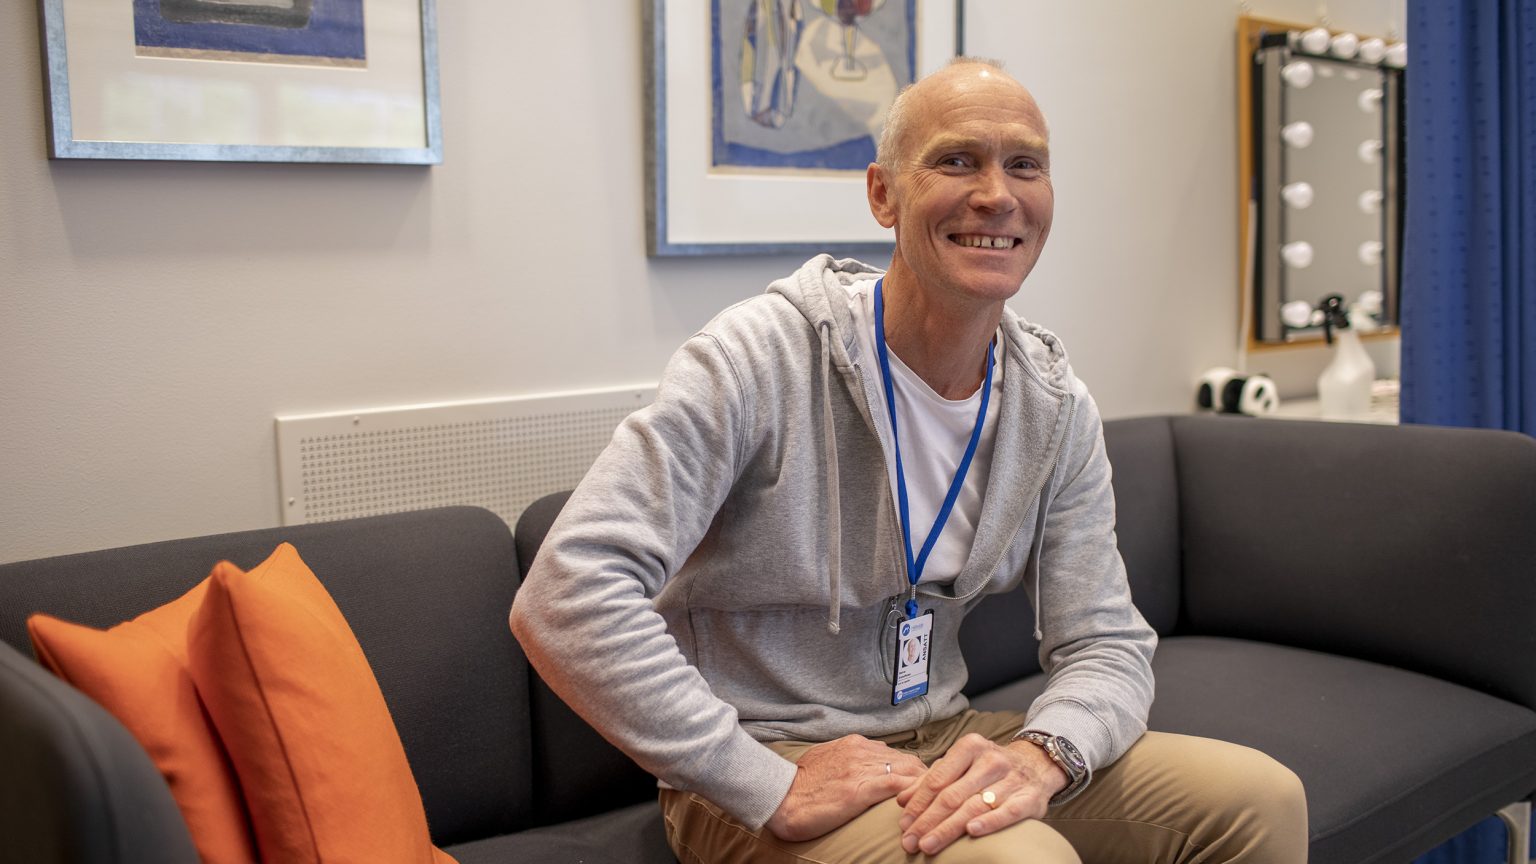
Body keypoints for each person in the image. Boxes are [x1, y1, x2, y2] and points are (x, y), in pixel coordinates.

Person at [510, 58, 1308, 863]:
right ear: (883, 194)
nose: (997, 194)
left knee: (1260, 800)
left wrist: (1045, 754)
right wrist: (761, 781)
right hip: (765, 760)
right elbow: (566, 593)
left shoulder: (1053, 404)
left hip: (940, 733)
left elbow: (1106, 641)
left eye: (1024, 165)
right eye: (957, 160)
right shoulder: (757, 358)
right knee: (1019, 861)